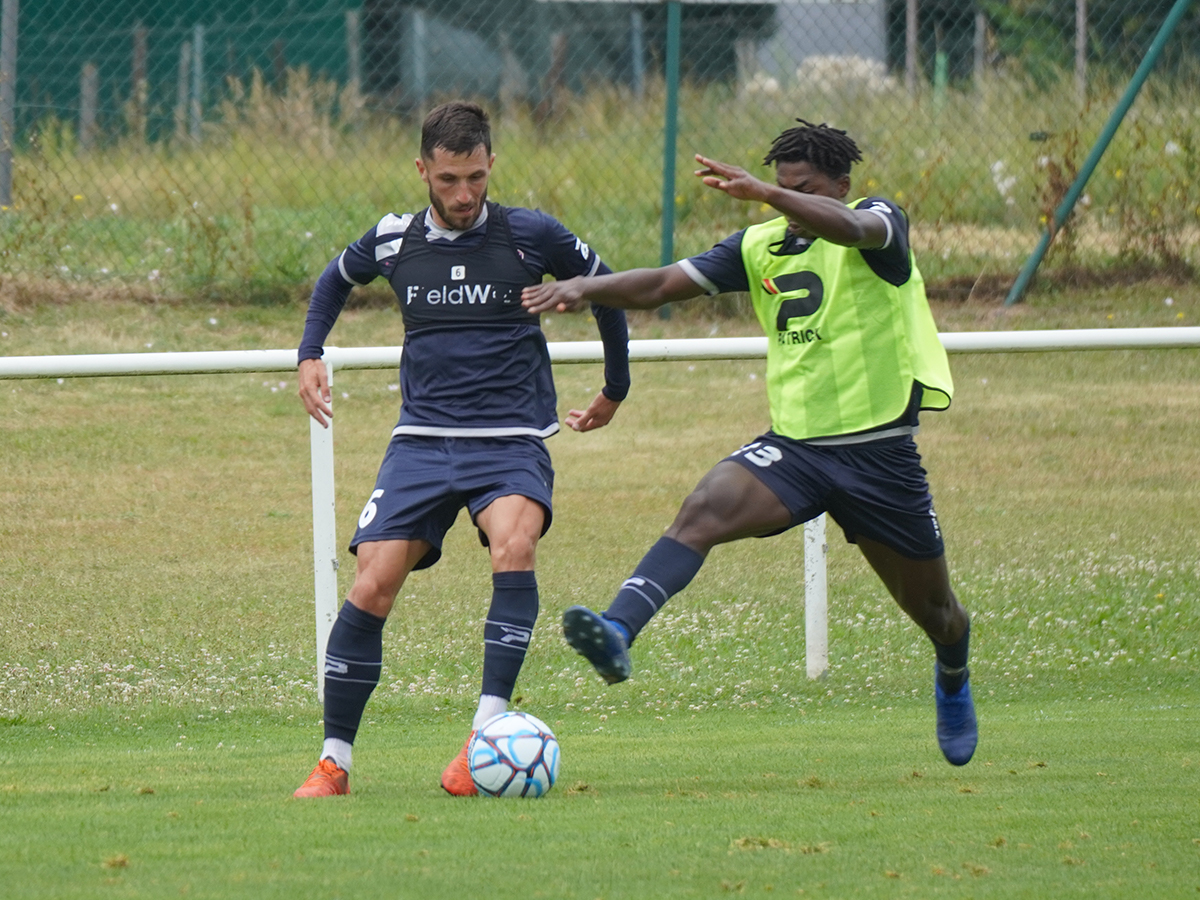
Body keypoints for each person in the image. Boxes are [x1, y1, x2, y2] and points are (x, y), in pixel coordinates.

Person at [522, 119, 977, 766]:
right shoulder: (759, 245)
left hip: (880, 457)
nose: (788, 203)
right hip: (797, 452)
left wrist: (767, 193)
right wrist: (583, 287)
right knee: (704, 507)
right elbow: (658, 286)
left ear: (840, 187)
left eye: (803, 189)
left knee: (937, 615)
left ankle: (953, 673)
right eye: (782, 187)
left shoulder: (878, 222)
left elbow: (846, 228)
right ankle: (618, 629)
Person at [292, 101, 631, 797]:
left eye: (475, 177)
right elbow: (333, 281)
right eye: (447, 179)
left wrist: (613, 389)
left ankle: (482, 741)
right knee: (371, 583)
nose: (463, 194)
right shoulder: (392, 239)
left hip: (510, 438)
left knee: (515, 545)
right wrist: (310, 353)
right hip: (421, 441)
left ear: (491, 165)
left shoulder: (531, 235)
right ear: (422, 170)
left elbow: (609, 291)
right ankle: (334, 763)